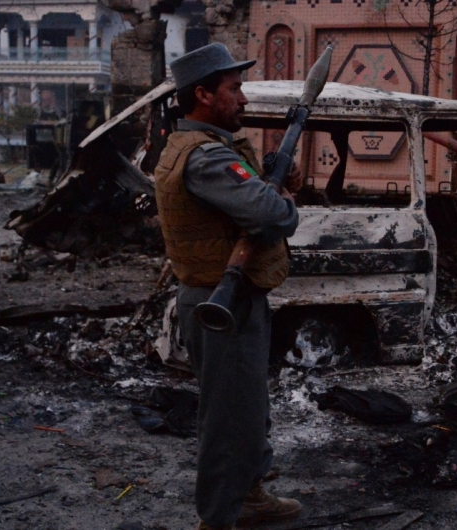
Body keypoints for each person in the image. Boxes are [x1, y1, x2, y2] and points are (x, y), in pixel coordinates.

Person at [153, 43, 303, 530]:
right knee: (226, 420)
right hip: (224, 303)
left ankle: (251, 495)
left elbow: (248, 200)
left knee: (248, 407)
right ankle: (216, 520)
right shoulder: (205, 158)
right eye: (233, 89)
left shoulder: (204, 148)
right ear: (202, 94)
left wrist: (279, 177)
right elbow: (272, 215)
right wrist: (279, 200)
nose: (242, 98)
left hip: (234, 294)